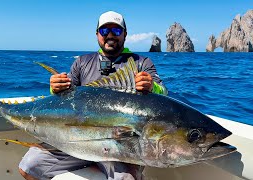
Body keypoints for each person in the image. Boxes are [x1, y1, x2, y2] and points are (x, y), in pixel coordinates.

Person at [19, 11, 167, 180]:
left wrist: (152, 86)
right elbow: (65, 97)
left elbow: (163, 90)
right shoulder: (82, 62)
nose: (110, 35)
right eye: (104, 31)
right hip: (77, 141)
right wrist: (55, 87)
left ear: (125, 34)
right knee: (29, 166)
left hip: (120, 148)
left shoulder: (141, 62)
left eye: (116, 31)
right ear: (97, 35)